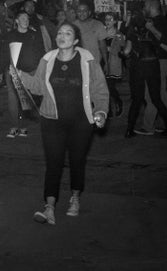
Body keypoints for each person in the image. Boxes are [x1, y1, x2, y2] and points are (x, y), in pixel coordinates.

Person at [15, 22, 109, 225]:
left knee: (77, 161)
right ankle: (49, 207)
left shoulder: (88, 60)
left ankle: (75, 198)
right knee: (53, 163)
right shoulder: (47, 59)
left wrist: (100, 111)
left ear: (75, 40)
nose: (61, 36)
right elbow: (39, 87)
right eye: (59, 33)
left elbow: (99, 88)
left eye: (67, 33)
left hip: (81, 120)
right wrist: (21, 76)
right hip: (51, 120)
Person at [123, 9, 167, 138]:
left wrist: (122, 52)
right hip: (152, 66)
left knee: (137, 99)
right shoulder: (152, 31)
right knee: (156, 98)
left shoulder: (131, 32)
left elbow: (126, 51)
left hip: (138, 67)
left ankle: (129, 130)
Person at [4, 10, 46, 138]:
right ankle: (14, 126)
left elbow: (41, 53)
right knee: (13, 99)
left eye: (27, 18)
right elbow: (5, 54)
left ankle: (24, 126)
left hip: (30, 71)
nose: (25, 21)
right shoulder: (10, 35)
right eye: (22, 18)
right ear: (16, 21)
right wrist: (5, 69)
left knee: (27, 99)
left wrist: (39, 70)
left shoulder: (34, 34)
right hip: (13, 71)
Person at [139, 0, 167, 134]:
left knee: (151, 96)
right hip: (158, 61)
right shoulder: (156, 21)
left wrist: (152, 29)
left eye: (146, 5)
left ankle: (148, 127)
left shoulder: (160, 21)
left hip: (159, 61)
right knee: (161, 94)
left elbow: (166, 41)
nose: (144, 7)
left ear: (152, 6)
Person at [102, 12, 125, 117]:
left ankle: (118, 102)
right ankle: (109, 109)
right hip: (102, 62)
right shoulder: (101, 32)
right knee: (104, 87)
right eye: (106, 19)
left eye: (110, 19)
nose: (108, 21)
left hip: (113, 63)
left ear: (115, 21)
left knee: (110, 86)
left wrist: (111, 49)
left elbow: (123, 47)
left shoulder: (118, 33)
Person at [73, 0, 107, 66]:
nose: (82, 13)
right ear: (76, 13)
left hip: (95, 63)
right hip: (78, 64)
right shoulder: (73, 26)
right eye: (79, 11)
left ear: (89, 12)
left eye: (84, 11)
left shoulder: (98, 24)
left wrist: (106, 62)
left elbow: (102, 46)